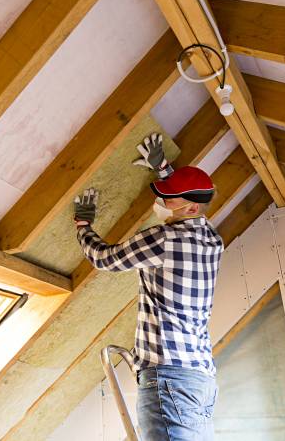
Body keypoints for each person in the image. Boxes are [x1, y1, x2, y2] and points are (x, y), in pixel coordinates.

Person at [73, 133, 224, 441]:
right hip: (199, 380)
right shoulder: (212, 239)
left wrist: (82, 227)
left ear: (192, 209)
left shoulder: (163, 239)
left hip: (169, 380)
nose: (162, 203)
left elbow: (105, 258)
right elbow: (190, 198)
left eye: (169, 199)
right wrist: (164, 170)